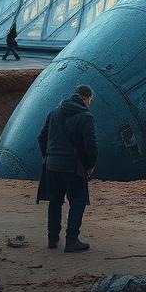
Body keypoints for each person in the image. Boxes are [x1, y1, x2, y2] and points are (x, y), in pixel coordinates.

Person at [37, 84, 98, 252]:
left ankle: (52, 238)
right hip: (72, 166)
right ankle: (71, 240)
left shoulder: (54, 112)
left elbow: (41, 137)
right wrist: (90, 165)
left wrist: (48, 156)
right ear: (86, 98)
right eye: (90, 101)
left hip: (52, 166)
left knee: (55, 200)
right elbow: (91, 144)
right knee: (78, 201)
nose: (89, 104)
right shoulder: (86, 117)